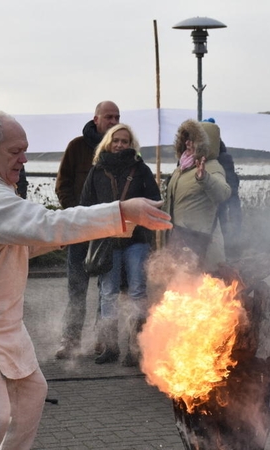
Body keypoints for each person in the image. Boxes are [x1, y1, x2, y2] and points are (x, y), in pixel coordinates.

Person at [0, 112, 171, 449]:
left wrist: (108, 227)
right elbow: (48, 224)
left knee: (31, 394)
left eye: (25, 150)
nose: (24, 159)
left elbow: (24, 244)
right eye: (15, 152)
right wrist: (121, 212)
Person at [80, 123, 161, 366]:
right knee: (108, 294)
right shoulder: (97, 171)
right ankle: (110, 346)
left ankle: (136, 348)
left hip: (136, 240)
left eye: (124, 141)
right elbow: (85, 205)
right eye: (116, 140)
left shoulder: (141, 170)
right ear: (108, 142)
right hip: (107, 242)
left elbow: (156, 200)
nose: (120, 145)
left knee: (137, 292)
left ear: (130, 144)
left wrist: (139, 219)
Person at [54, 101, 120, 359]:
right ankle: (70, 341)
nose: (113, 122)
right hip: (79, 231)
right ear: (96, 119)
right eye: (108, 117)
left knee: (106, 290)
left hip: (108, 232)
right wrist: (75, 214)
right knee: (77, 290)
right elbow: (63, 184)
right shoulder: (77, 147)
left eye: (117, 117)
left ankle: (101, 340)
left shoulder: (120, 150)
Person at [164, 119, 231, 272]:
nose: (187, 143)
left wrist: (204, 178)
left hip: (200, 240)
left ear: (203, 143)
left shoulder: (212, 166)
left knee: (199, 287)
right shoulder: (183, 167)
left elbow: (224, 193)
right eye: (186, 139)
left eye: (192, 140)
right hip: (179, 236)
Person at [203, 118, 243, 260]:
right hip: (199, 208)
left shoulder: (223, 157)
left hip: (220, 207)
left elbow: (231, 186)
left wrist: (233, 212)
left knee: (221, 237)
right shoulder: (189, 156)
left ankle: (226, 266)